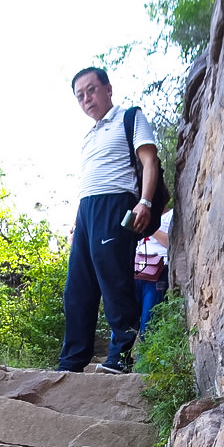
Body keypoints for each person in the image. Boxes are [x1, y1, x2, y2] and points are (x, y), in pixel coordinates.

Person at [57, 67, 159, 374]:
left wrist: (145, 201)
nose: (86, 99)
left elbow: (149, 160)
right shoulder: (88, 136)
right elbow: (88, 183)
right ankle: (72, 362)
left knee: (114, 281)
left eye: (91, 90)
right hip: (87, 211)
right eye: (80, 96)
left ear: (107, 89)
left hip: (116, 204)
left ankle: (120, 357)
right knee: (77, 289)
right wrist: (78, 225)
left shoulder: (129, 117)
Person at [136, 207, 172, 335]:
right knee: (127, 316)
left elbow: (170, 241)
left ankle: (146, 355)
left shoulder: (171, 215)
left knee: (149, 319)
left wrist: (150, 228)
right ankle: (120, 354)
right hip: (137, 270)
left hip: (157, 272)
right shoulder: (140, 215)